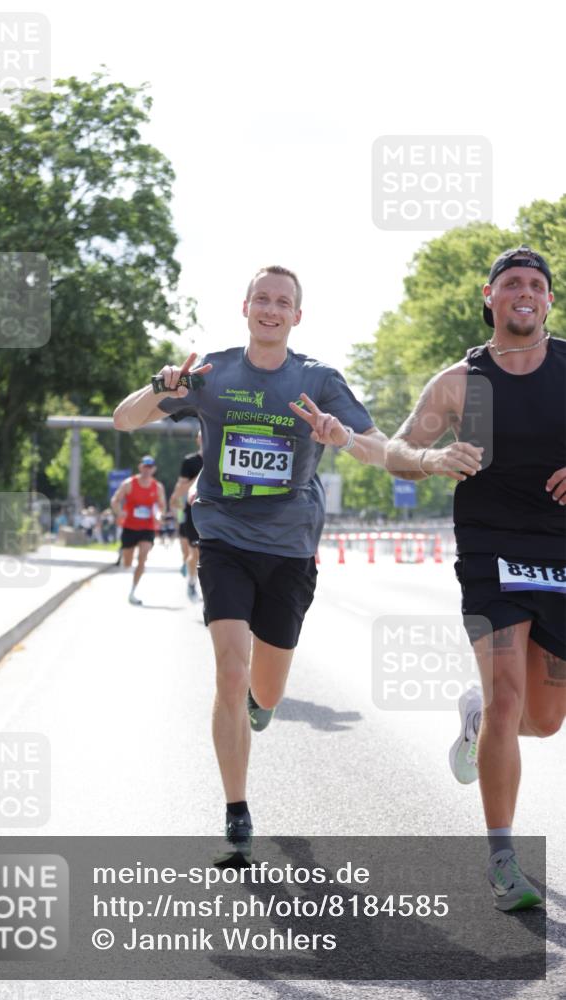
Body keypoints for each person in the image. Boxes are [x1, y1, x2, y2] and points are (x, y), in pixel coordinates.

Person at [113, 265, 387, 855]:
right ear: (245, 308)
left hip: (289, 548)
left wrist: (341, 437)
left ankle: (261, 705)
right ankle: (236, 807)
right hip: (225, 538)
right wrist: (161, 385)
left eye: (281, 302)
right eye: (261, 298)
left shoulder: (317, 378)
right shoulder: (211, 373)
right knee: (231, 672)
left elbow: (381, 449)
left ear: (296, 316)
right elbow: (124, 418)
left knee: (266, 687)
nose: (270, 308)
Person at [385, 245, 566, 912]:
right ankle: (502, 857)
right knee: (506, 692)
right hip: (490, 554)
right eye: (511, 283)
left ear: (547, 300)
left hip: (559, 553)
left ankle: (476, 720)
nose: (524, 292)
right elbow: (398, 454)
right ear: (488, 297)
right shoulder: (462, 380)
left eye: (536, 285)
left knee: (543, 720)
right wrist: (432, 459)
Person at [111, 455, 166, 605]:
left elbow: (161, 506)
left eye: (150, 468)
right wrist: (119, 512)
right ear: (140, 467)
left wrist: (158, 516)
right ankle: (124, 555)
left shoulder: (157, 487)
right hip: (129, 526)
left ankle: (133, 591)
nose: (147, 470)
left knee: (143, 556)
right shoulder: (129, 483)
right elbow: (115, 500)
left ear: (154, 469)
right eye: (145, 467)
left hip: (147, 527)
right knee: (128, 563)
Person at [170, 430, 204, 600]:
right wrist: (200, 474)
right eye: (202, 436)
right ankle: (191, 582)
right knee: (195, 552)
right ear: (198, 440)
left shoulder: (223, 458)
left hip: (218, 513)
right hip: (193, 512)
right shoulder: (190, 462)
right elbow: (182, 489)